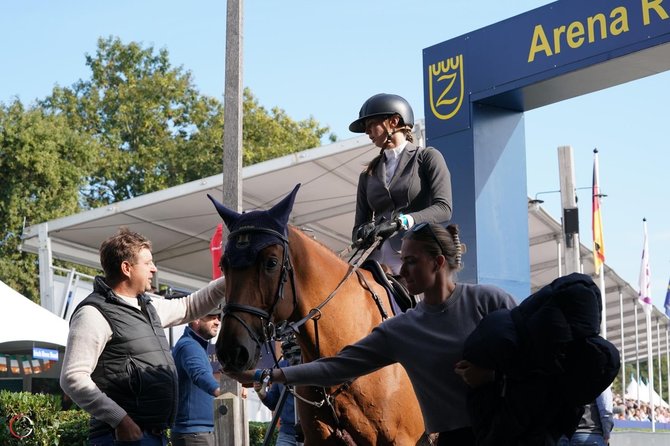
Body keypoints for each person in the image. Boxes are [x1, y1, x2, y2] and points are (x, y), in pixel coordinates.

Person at [228, 223, 516, 445]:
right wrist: (264, 375)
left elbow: (535, 357)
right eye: (403, 260)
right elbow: (335, 367)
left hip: (507, 431)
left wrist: (492, 377)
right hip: (453, 440)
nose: (403, 270)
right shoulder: (401, 329)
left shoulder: (489, 301)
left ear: (438, 263)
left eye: (412, 261)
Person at [60, 228, 226, 446]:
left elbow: (189, 306)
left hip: (148, 435)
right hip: (122, 437)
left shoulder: (147, 305)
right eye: (147, 263)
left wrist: (231, 278)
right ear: (126, 268)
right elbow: (72, 377)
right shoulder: (93, 313)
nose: (154, 269)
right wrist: (120, 420)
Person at [349, 93, 452, 274]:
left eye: (371, 125)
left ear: (394, 121)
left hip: (416, 253)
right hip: (374, 258)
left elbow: (444, 208)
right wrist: (364, 231)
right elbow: (358, 227)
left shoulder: (427, 157)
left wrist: (402, 221)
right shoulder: (367, 175)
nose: (367, 132)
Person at [171, 306, 224, 446]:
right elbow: (199, 373)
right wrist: (222, 391)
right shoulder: (189, 345)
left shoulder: (194, 345)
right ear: (195, 319)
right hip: (194, 435)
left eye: (219, 317)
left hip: (196, 433)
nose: (218, 322)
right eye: (212, 317)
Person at [254, 358, 298, 446]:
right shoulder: (280, 366)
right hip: (287, 434)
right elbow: (273, 403)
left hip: (314, 433)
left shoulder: (312, 361)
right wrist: (262, 393)